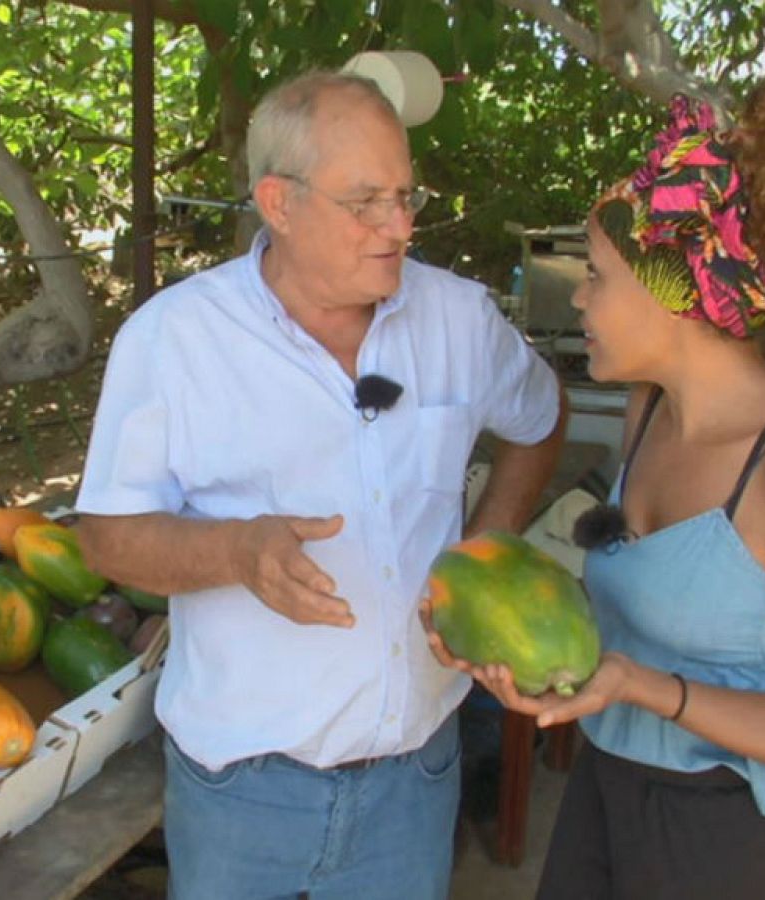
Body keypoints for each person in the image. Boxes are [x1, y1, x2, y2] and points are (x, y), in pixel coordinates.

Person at [425, 61, 765, 898]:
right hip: (609, 792)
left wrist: (644, 688)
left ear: (678, 295)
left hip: (740, 836)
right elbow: (639, 613)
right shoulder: (647, 411)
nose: (579, 300)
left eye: (597, 277)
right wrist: (515, 640)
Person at [73, 70, 567, 899]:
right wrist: (238, 552)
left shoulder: (458, 320)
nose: (399, 227)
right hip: (242, 791)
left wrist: (484, 544)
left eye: (407, 197)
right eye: (366, 201)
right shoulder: (175, 340)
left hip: (415, 777)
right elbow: (107, 536)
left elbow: (540, 421)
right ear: (280, 203)